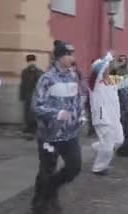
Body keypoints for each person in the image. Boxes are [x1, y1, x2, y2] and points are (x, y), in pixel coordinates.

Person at [31, 40, 82, 213]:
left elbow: (77, 99)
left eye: (72, 54)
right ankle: (41, 204)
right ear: (59, 57)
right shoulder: (46, 78)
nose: (71, 58)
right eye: (68, 54)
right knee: (46, 170)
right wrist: (55, 114)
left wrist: (80, 115)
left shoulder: (73, 76)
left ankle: (51, 188)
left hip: (70, 134)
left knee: (74, 167)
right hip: (50, 135)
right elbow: (37, 106)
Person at [89, 52, 128, 175]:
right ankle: (99, 168)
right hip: (102, 117)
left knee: (119, 140)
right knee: (108, 145)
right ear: (100, 70)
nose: (109, 69)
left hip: (114, 118)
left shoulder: (111, 80)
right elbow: (99, 68)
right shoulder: (95, 83)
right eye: (106, 68)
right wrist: (107, 59)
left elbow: (127, 80)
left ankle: (98, 147)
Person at [19, 54, 44, 136]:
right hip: (27, 95)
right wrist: (21, 95)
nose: (31, 63)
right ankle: (28, 127)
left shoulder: (39, 72)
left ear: (35, 61)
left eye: (32, 61)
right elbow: (22, 84)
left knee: (34, 113)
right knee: (27, 113)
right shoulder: (24, 72)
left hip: (35, 96)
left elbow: (40, 85)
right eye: (29, 61)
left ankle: (34, 128)